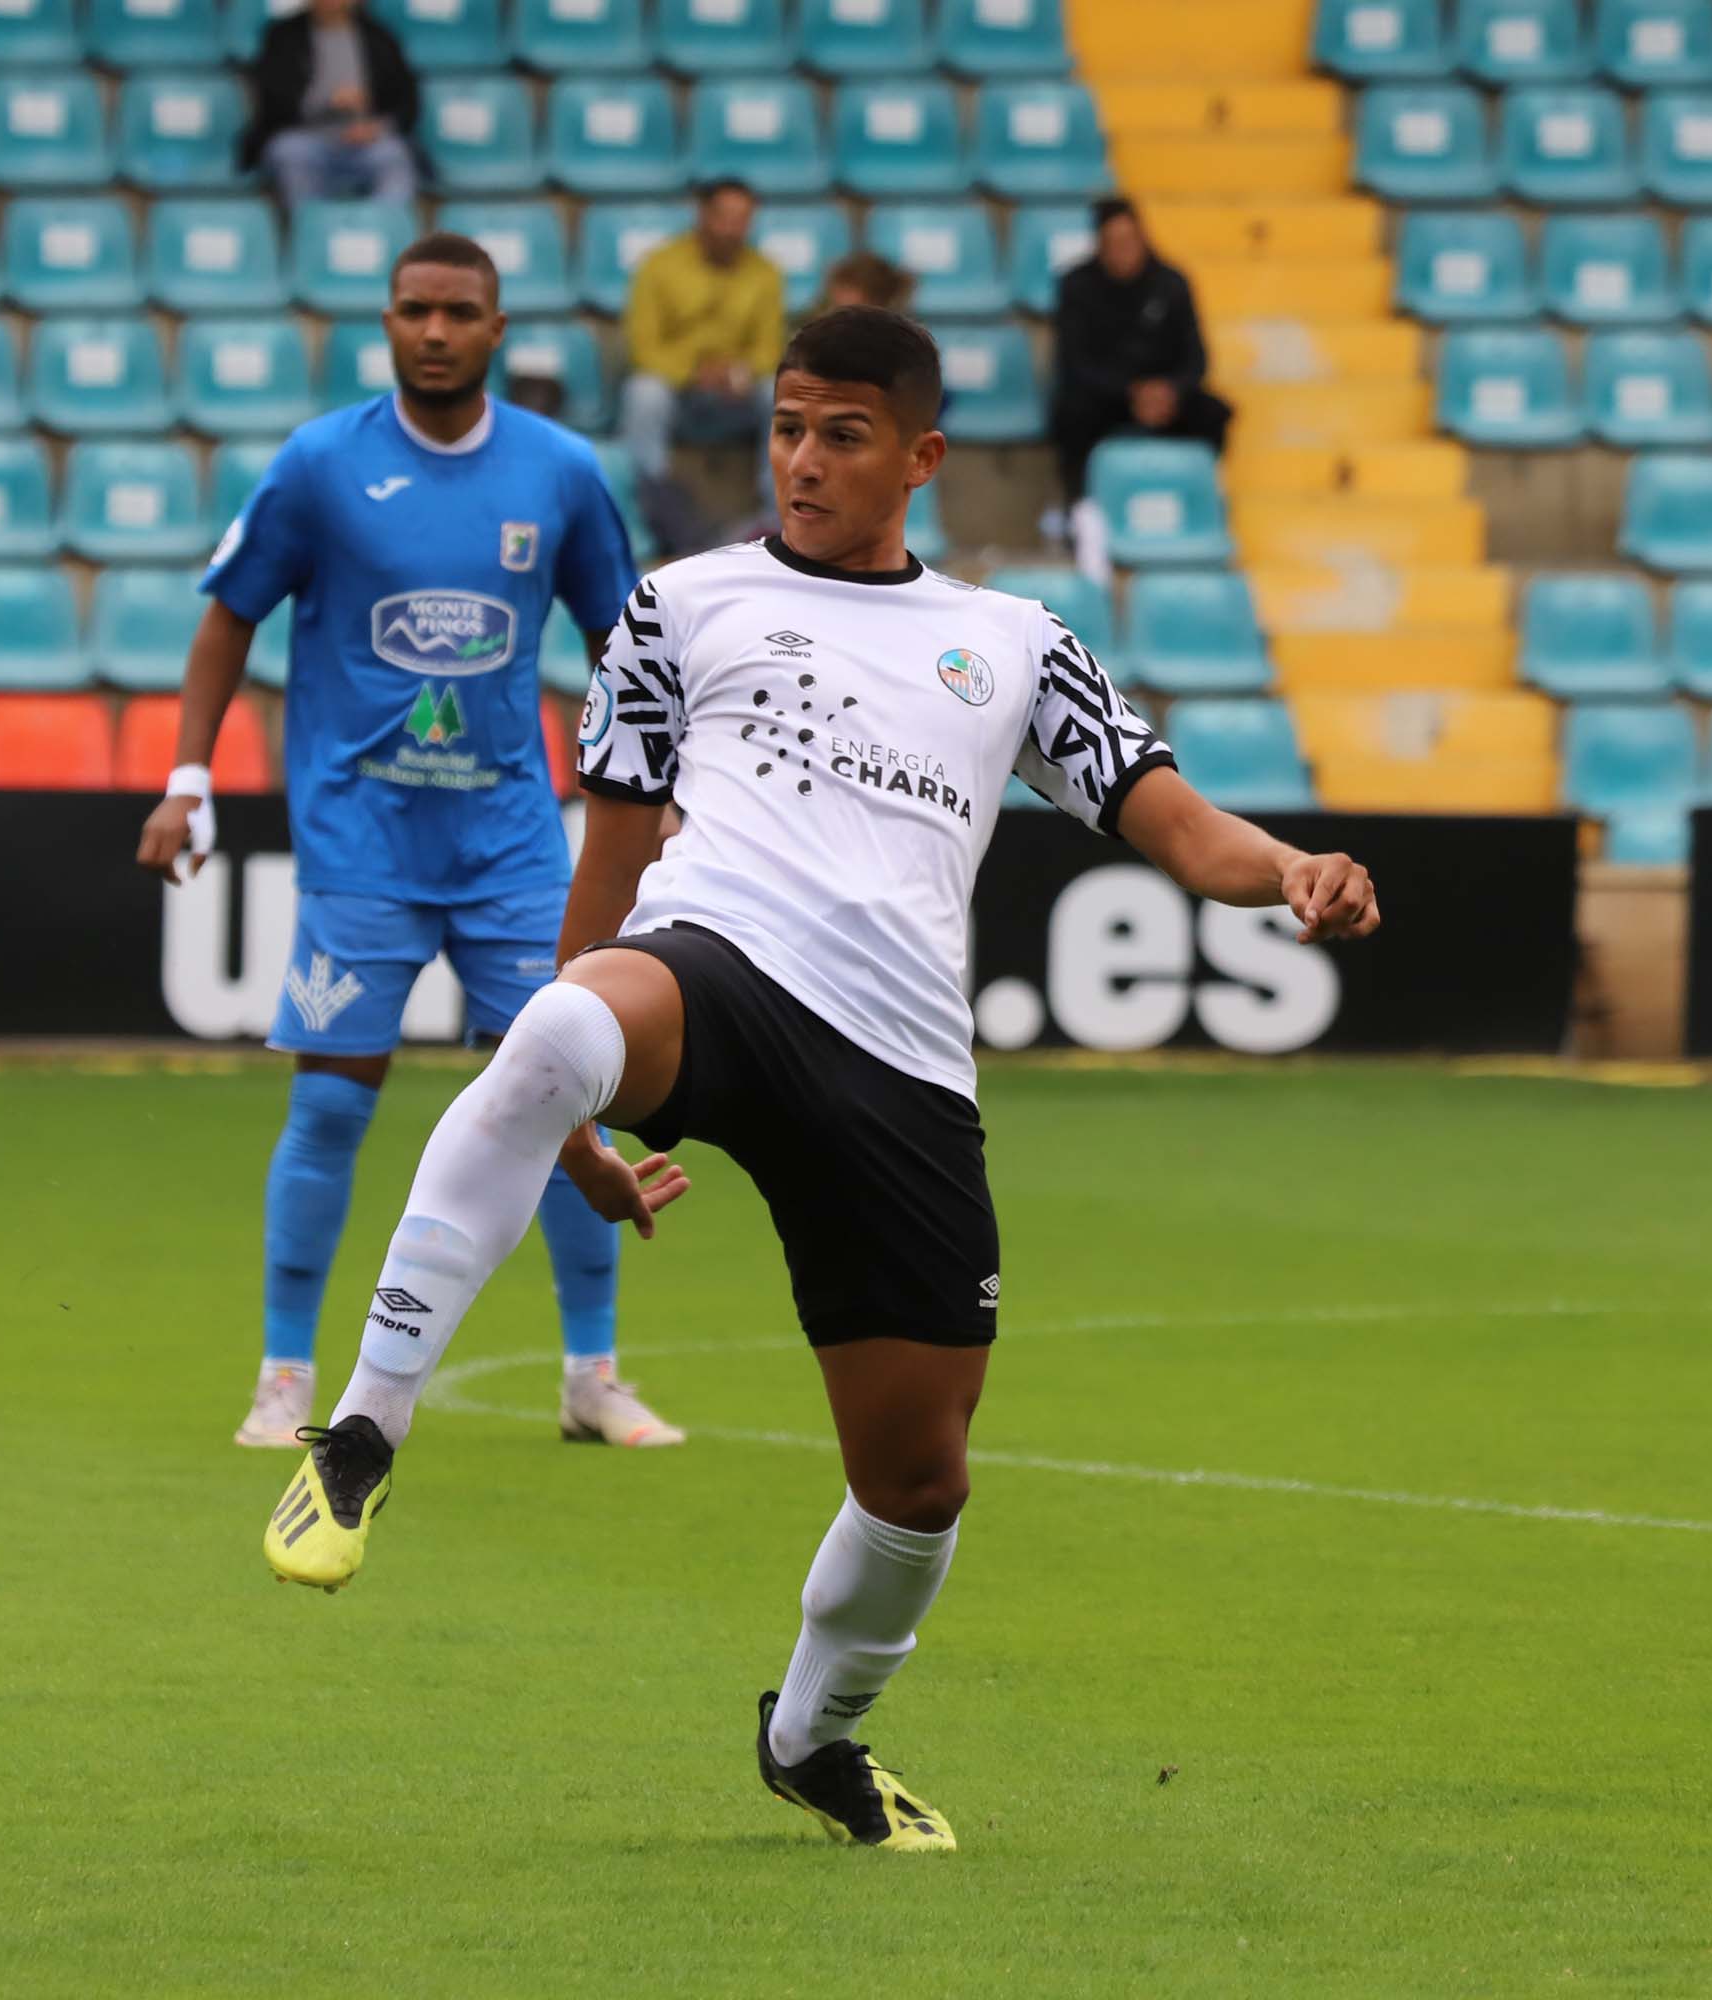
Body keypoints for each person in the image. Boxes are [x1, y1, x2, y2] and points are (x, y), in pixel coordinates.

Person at [259, 308, 1382, 1850]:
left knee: (920, 1483)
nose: (801, 459)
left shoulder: (1013, 643)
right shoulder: (678, 606)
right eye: (788, 427)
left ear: (919, 457)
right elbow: (617, 849)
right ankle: (363, 1433)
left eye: (841, 434)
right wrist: (571, 1076)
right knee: (562, 1024)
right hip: (713, 970)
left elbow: (1177, 825)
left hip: (903, 1070)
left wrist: (1295, 867)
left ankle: (811, 1736)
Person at [135, 233, 684, 1454]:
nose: (435, 330)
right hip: (362, 841)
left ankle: (592, 1373)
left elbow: (623, 645)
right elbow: (228, 618)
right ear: (386, 323)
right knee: (330, 1110)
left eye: (460, 311)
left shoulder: (560, 471)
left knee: (562, 1096)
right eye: (414, 310)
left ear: (498, 329)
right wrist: (189, 775)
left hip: (512, 845)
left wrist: (658, 795)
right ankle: (285, 1377)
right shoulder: (323, 463)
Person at [1048, 197, 1231, 509]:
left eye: (1130, 240)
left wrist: (1170, 390)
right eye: (1114, 242)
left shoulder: (1172, 283)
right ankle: (1080, 509)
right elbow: (1074, 363)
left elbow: (1196, 359)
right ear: (1099, 244)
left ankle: (1198, 501)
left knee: (1214, 413)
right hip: (1106, 398)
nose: (1124, 249)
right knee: (1071, 413)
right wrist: (1130, 392)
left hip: (1165, 397)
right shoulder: (1076, 285)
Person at [618, 180, 786, 499]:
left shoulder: (766, 272)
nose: (731, 229)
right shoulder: (659, 265)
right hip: (678, 394)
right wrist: (696, 373)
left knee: (778, 394)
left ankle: (776, 508)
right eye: (724, 217)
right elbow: (643, 349)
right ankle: (651, 502)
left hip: (736, 394)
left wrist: (737, 373)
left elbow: (769, 349)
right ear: (702, 215)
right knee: (644, 393)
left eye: (742, 220)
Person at [238, 0, 423, 207]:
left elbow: (407, 101)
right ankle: (311, 228)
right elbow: (272, 104)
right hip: (306, 138)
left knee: (395, 155)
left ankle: (382, 231)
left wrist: (378, 127)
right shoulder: (281, 36)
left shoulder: (380, 36)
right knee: (288, 151)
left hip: (366, 143)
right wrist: (327, 102)